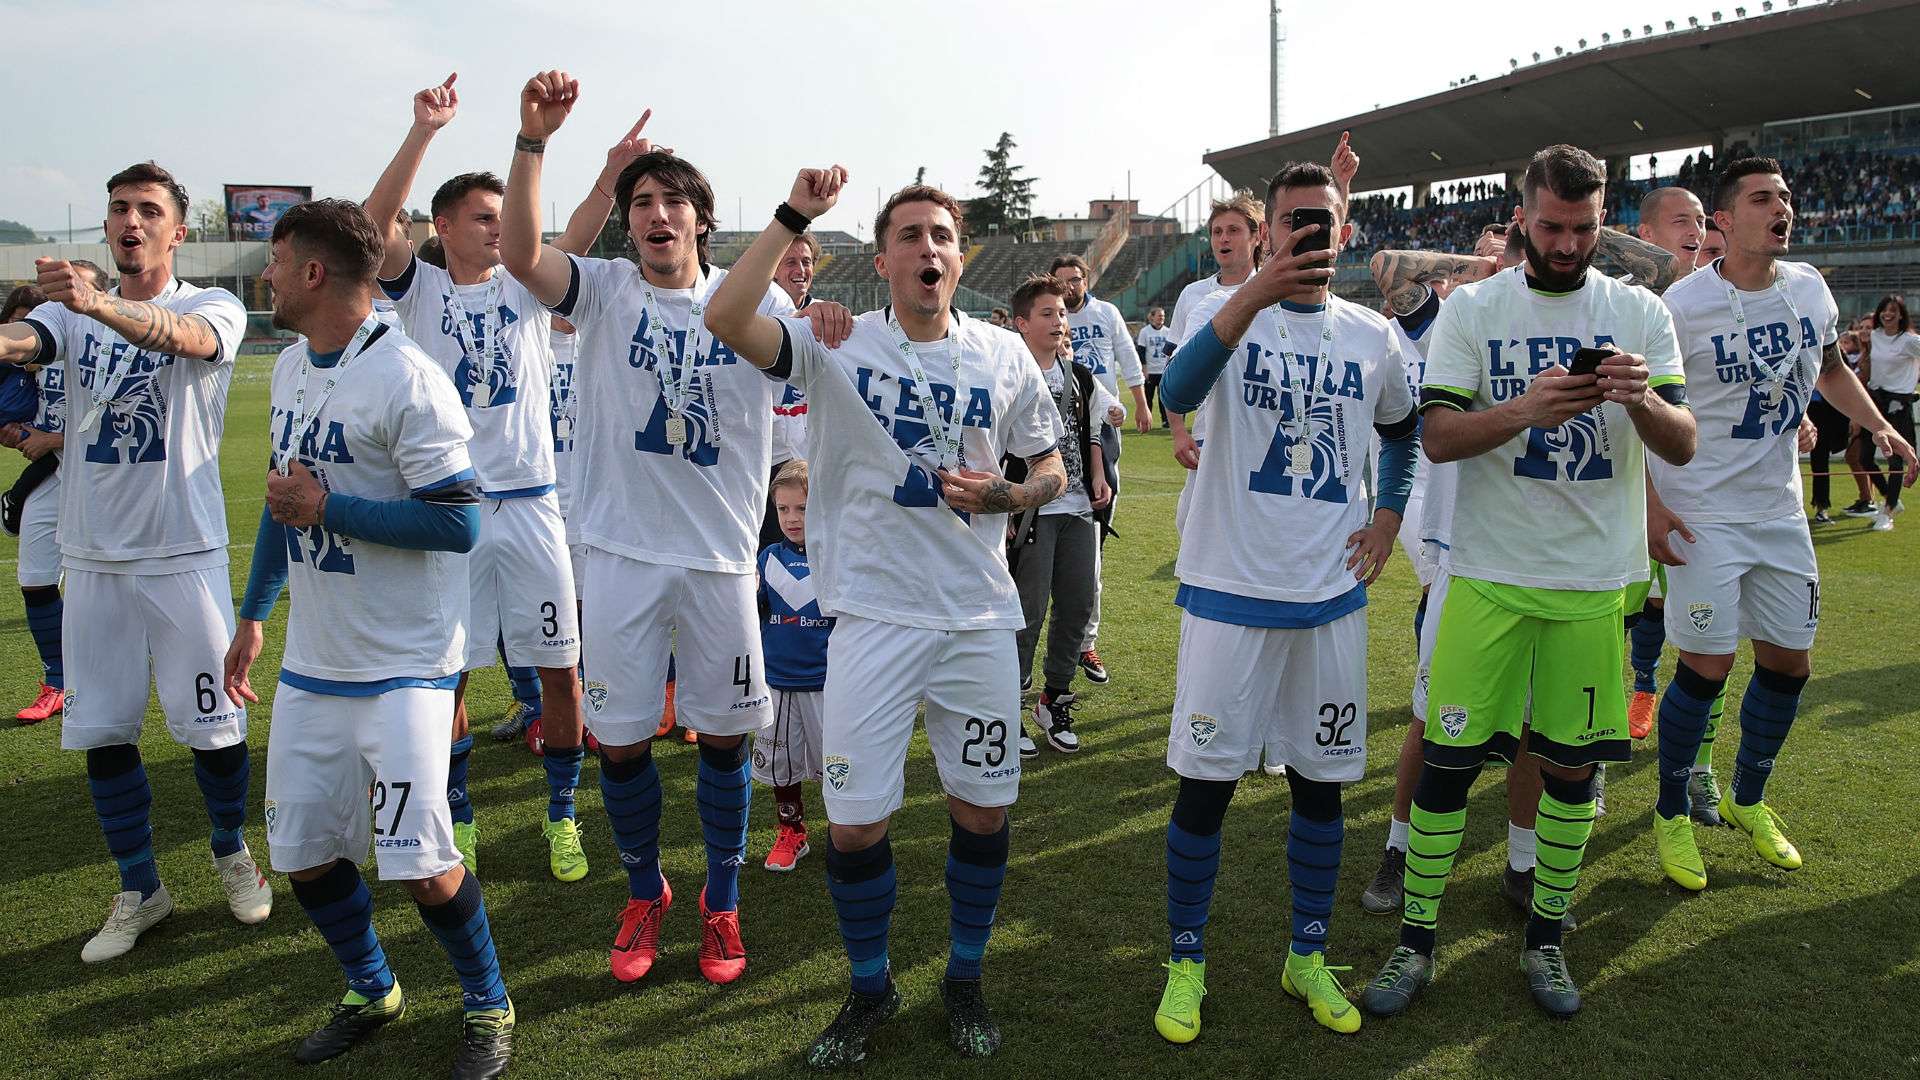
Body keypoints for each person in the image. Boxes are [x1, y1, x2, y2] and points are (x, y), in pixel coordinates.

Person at [704, 168, 1066, 1069]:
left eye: (941, 235)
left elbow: (1050, 463)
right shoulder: (837, 341)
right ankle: (869, 990)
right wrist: (793, 214)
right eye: (909, 236)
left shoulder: (1002, 352)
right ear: (884, 258)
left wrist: (1012, 492)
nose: (927, 250)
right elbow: (724, 318)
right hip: (869, 621)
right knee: (856, 823)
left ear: (959, 253)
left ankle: (964, 976)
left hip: (979, 621)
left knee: (980, 813)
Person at [1361, 144, 1696, 1020]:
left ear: (1602, 221)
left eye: (1584, 228)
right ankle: (1415, 944)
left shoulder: (1639, 311)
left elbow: (1683, 441)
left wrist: (1640, 401)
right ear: (1523, 216)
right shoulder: (1476, 307)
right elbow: (1435, 438)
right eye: (1550, 226)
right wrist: (1525, 409)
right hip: (1486, 577)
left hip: (1592, 584)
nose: (1567, 242)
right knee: (1445, 765)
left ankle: (1546, 939)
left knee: (1572, 773)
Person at [500, 70, 792, 987]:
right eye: (642, 203)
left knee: (723, 740)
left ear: (701, 220)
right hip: (619, 556)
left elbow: (817, 368)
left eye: (673, 202)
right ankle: (644, 890)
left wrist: (822, 312)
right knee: (618, 742)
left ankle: (721, 901)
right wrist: (534, 142)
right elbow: (519, 255)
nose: (657, 215)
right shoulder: (606, 289)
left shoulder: (759, 308)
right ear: (627, 223)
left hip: (717, 564)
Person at [225, 198, 513, 1079]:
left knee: (423, 866)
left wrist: (330, 507)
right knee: (303, 856)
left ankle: (488, 1004)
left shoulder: (407, 378)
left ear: (313, 272)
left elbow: (462, 525)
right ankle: (371, 986)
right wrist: (253, 612)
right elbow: (283, 503)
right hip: (316, 661)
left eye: (274, 260)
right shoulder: (290, 372)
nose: (265, 275)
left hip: (405, 667)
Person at [1150, 161, 1416, 1043]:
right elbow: (1174, 395)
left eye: (1324, 221)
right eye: (1293, 220)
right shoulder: (1221, 315)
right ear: (1266, 230)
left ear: (1345, 232)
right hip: (1230, 593)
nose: (1311, 233)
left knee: (1321, 789)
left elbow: (1402, 429)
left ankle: (1307, 954)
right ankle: (1186, 962)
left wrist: (1385, 519)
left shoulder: (1374, 335)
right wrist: (1254, 294)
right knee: (1205, 792)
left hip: (1331, 600)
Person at [0, 161, 272, 962]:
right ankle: (139, 887)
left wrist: (98, 302)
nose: (130, 220)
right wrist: (42, 320)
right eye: (119, 208)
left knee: (215, 727)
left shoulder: (211, 304)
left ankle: (230, 851)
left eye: (148, 210)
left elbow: (186, 340)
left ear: (176, 231)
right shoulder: (70, 314)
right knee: (103, 729)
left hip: (180, 552)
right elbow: (25, 339)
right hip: (91, 559)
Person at [1647, 157, 1917, 895]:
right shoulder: (1681, 304)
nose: (1782, 208)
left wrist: (1879, 429)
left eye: (1787, 198)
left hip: (1778, 512)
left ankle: (1747, 797)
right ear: (1725, 221)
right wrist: (1648, 503)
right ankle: (1672, 811)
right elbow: (1636, 407)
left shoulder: (1809, 288)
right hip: (1700, 510)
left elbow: (1830, 369)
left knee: (1790, 663)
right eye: (1763, 198)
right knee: (1706, 666)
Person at [361, 73, 586, 884]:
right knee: (448, 672)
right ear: (445, 225)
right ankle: (459, 814)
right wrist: (423, 131)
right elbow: (369, 227)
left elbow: (581, 233)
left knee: (561, 668)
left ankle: (561, 815)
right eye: (485, 218)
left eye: (506, 218)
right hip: (450, 508)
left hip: (530, 505)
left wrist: (578, 157)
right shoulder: (414, 288)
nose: (500, 229)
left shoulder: (528, 288)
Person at [1363, 223, 1575, 925]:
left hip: (1545, 554)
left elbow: (1656, 271)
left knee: (1531, 730)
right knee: (1431, 718)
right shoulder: (1456, 320)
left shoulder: (1571, 323)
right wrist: (1481, 266)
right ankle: (1397, 849)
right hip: (1465, 550)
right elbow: (1388, 267)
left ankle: (1521, 863)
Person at [1006, 274, 1113, 759]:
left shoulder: (1080, 376)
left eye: (1063, 313)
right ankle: (1010, 707)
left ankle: (1055, 700)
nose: (1059, 322)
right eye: (1047, 314)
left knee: (1076, 608)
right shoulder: (1005, 371)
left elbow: (1094, 425)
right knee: (1027, 612)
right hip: (1033, 511)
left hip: (1077, 510)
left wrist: (1098, 475)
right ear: (1021, 324)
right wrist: (1006, 503)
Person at [1053, 253, 1149, 685]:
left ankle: (1084, 641)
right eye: (1062, 281)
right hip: (1052, 434)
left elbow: (1128, 359)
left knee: (1093, 547)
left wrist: (1139, 403)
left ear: (1085, 280)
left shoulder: (1105, 313)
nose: (1070, 287)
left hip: (1101, 425)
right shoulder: (1045, 320)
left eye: (1075, 280)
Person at [753, 459, 832, 872]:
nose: (792, 518)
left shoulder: (837, 557)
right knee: (782, 765)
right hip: (779, 683)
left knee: (838, 763)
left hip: (828, 684)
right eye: (783, 509)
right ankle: (792, 830)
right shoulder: (766, 559)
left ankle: (845, 830)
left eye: (801, 508)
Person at [762, 233, 818, 550]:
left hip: (810, 459)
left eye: (806, 261)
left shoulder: (827, 316)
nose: (800, 269)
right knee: (770, 551)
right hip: (766, 460)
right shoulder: (748, 319)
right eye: (790, 262)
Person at [1859, 295, 1919, 530]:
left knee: (1895, 459)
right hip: (1875, 401)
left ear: (1901, 314)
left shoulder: (1909, 341)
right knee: (1865, 457)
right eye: (1884, 310)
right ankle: (1891, 499)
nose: (1887, 314)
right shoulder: (1874, 336)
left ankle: (1888, 511)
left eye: (1893, 310)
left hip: (1898, 405)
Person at [1808, 329, 1874, 523]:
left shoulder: (1832, 349)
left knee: (1853, 456)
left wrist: (1856, 417)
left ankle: (1876, 499)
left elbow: (1847, 381)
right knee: (1818, 459)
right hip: (1809, 408)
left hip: (1831, 412)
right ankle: (1821, 506)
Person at [1136, 306, 1173, 424]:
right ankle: (1147, 420)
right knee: (1148, 397)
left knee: (1163, 398)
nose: (1162, 318)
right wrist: (1144, 368)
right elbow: (1141, 351)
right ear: (1152, 317)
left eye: (1163, 316)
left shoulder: (1168, 331)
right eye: (1159, 315)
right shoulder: (1145, 331)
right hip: (1150, 370)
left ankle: (1165, 420)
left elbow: (1171, 351)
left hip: (1163, 370)